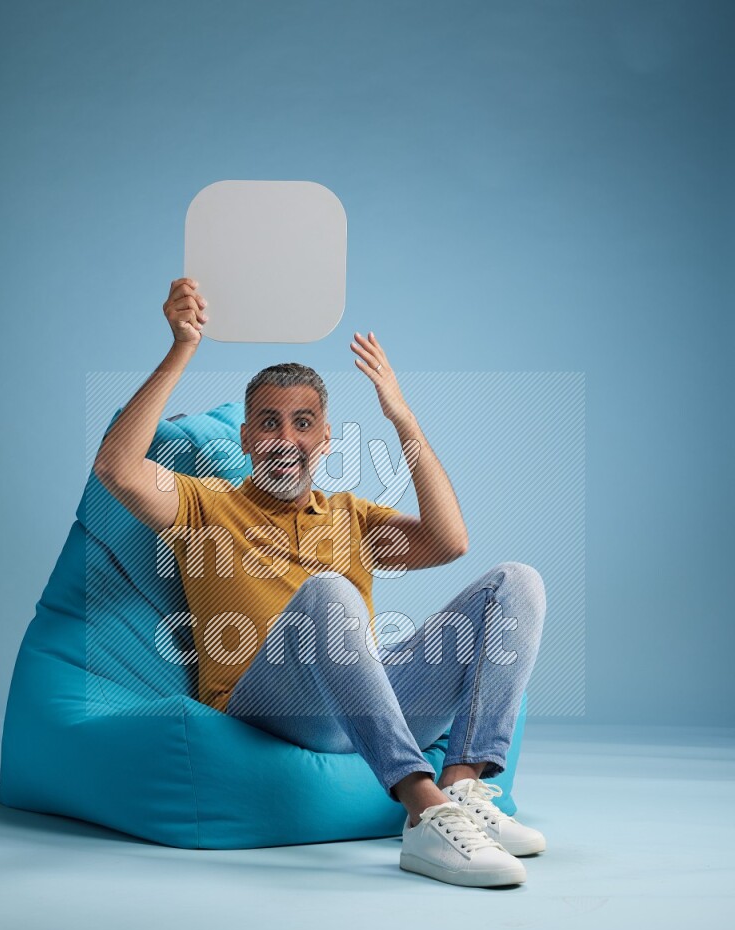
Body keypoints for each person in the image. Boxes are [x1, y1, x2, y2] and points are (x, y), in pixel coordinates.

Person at [94, 278, 548, 889]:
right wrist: (182, 348)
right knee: (330, 592)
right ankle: (424, 814)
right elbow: (117, 470)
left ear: (325, 438)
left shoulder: (352, 516)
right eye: (269, 424)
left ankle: (462, 788)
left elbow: (449, 541)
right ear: (247, 438)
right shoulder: (207, 504)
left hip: (361, 704)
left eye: (303, 423)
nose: (286, 440)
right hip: (268, 708)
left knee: (515, 583)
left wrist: (403, 417)